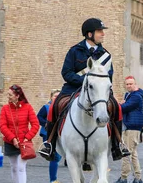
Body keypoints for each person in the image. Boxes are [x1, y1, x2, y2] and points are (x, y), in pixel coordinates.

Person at [42, 18, 130, 164]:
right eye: (100, 31)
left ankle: (117, 144)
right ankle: (49, 144)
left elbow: (109, 76)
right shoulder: (75, 51)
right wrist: (85, 82)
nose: (103, 34)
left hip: (98, 93)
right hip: (73, 89)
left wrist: (99, 86)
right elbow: (66, 72)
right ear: (89, 34)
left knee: (116, 108)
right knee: (55, 106)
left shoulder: (106, 55)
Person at [0, 85, 39, 183]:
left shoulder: (27, 107)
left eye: (10, 95)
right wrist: (12, 139)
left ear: (17, 96)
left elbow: (35, 124)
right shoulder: (5, 109)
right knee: (14, 167)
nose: (8, 97)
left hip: (24, 143)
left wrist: (27, 138)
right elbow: (2, 125)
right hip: (10, 142)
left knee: (21, 167)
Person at [114, 76, 143, 183]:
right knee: (133, 154)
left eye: (131, 84)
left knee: (126, 153)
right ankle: (138, 178)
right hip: (131, 126)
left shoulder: (136, 97)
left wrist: (120, 104)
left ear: (135, 84)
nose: (129, 86)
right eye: (127, 84)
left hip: (132, 127)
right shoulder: (130, 95)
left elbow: (125, 107)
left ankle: (124, 178)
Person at [37, 90, 64, 183]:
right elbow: (39, 117)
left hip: (59, 135)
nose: (56, 98)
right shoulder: (46, 107)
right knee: (54, 156)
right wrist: (46, 124)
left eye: (58, 96)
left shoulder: (62, 108)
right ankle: (52, 180)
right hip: (48, 134)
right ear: (51, 97)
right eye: (55, 96)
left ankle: (53, 179)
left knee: (58, 156)